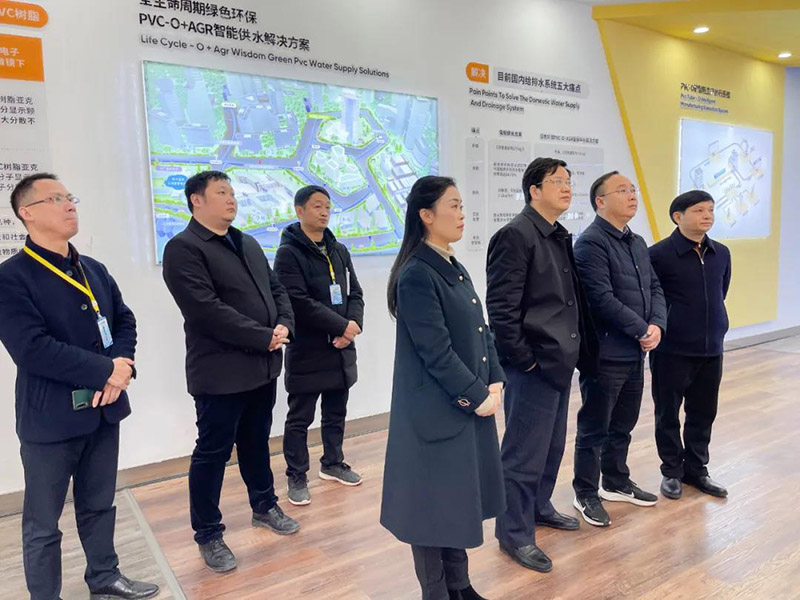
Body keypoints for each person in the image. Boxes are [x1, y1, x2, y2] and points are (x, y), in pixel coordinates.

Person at [0, 173, 159, 599]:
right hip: (50, 420)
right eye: (55, 199)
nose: (69, 205)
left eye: (70, 197)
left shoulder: (93, 269)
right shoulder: (11, 277)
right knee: (42, 523)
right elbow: (32, 349)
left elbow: (124, 321)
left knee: (99, 504)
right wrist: (105, 371)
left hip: (104, 410)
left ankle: (104, 578)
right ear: (27, 213)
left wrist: (121, 369)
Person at [162, 170, 299, 574]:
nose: (232, 199)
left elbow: (276, 290)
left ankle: (265, 505)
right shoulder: (183, 248)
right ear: (196, 200)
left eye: (233, 192)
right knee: (213, 453)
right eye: (221, 192)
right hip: (220, 373)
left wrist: (284, 325)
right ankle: (208, 533)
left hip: (262, 367)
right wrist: (263, 336)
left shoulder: (247, 242)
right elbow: (205, 311)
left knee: (257, 442)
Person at [380, 176, 505, 600]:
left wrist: (495, 379)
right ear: (426, 215)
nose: (462, 213)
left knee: (455, 500)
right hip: (435, 411)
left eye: (461, 204)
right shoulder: (417, 273)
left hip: (462, 407)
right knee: (430, 509)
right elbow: (435, 351)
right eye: (453, 205)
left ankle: (460, 586)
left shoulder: (450, 263)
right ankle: (436, 592)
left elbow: (481, 329)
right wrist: (477, 396)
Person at [487, 157, 596, 573]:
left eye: (569, 181)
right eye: (556, 181)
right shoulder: (516, 235)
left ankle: (538, 506)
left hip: (558, 360)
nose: (567, 188)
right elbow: (502, 308)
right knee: (522, 453)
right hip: (532, 364)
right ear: (534, 190)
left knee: (551, 446)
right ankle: (513, 533)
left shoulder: (556, 233)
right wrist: (524, 360)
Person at [572, 171, 667, 527]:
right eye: (622, 190)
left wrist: (656, 325)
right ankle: (585, 492)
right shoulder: (591, 243)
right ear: (600, 201)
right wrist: (641, 328)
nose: (632, 195)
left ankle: (614, 481)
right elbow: (600, 298)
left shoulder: (637, 241)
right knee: (594, 427)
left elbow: (655, 287)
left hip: (635, 352)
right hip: (606, 353)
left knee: (623, 424)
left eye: (633, 189)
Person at [273, 185, 365, 506]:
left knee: (336, 411)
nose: (324, 212)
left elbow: (355, 293)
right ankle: (297, 475)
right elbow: (297, 302)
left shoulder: (338, 250)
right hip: (308, 349)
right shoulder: (289, 253)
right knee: (300, 417)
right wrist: (341, 326)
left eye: (327, 206)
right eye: (316, 206)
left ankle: (333, 463)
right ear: (299, 211)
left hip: (340, 348)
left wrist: (352, 326)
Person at [648, 190, 731, 499]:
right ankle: (671, 471)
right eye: (699, 210)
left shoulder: (721, 253)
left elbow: (721, 291)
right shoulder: (658, 254)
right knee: (667, 413)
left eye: (710, 210)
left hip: (711, 348)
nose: (707, 216)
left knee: (703, 412)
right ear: (678, 216)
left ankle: (696, 470)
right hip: (672, 349)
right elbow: (652, 299)